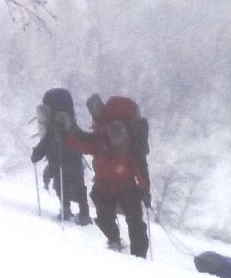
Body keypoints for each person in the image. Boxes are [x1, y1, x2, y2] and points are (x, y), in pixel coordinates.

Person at [65, 93, 151, 257]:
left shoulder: (102, 143)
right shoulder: (119, 146)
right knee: (130, 221)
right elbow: (141, 171)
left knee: (128, 221)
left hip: (111, 187)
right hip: (117, 187)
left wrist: (145, 191)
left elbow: (79, 142)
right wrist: (145, 191)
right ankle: (128, 250)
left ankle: (127, 249)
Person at [30, 88, 91, 223]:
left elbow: (45, 145)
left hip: (58, 163)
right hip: (76, 163)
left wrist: (35, 155)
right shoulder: (73, 126)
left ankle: (66, 209)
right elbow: (83, 138)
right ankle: (84, 213)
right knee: (80, 187)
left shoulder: (53, 129)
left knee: (60, 185)